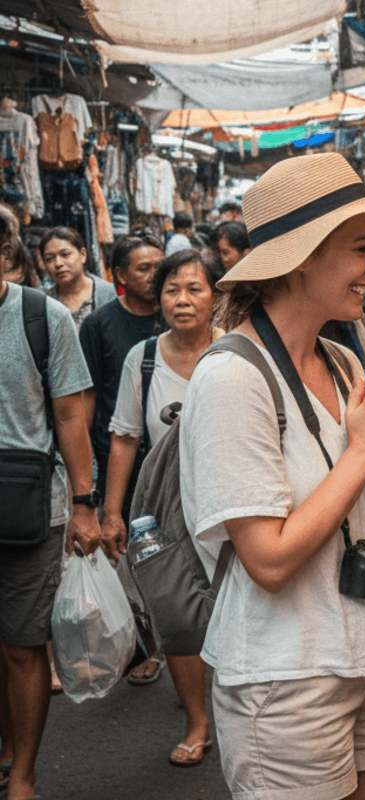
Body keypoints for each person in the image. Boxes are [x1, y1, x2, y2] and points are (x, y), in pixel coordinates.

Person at [180, 152, 365, 800]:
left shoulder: (341, 361)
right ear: (301, 258)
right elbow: (269, 560)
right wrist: (363, 453)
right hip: (287, 674)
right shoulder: (231, 378)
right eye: (361, 249)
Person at [102, 248, 223, 767]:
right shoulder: (144, 358)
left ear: (215, 297)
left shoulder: (236, 351)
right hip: (166, 508)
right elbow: (125, 437)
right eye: (172, 290)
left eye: (194, 289)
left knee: (240, 605)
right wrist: (112, 513)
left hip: (231, 498)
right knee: (176, 613)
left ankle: (240, 711)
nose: (182, 300)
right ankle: (198, 721)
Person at [0, 220, 104, 800]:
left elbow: (70, 415)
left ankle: (23, 775)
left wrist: (85, 505)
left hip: (30, 506)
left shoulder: (43, 317)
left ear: (5, 252)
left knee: (22, 644)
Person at [78, 234, 166, 685]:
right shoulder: (100, 325)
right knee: (131, 558)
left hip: (171, 457)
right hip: (121, 460)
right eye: (143, 268)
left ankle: (183, 642)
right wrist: (88, 478)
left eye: (159, 265)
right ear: (119, 276)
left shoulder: (177, 315)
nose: (155, 275)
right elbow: (87, 397)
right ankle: (147, 645)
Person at [41, 226, 118, 329]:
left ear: (82, 255)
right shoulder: (42, 303)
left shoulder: (111, 295)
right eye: (50, 259)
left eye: (65, 254)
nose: (58, 263)